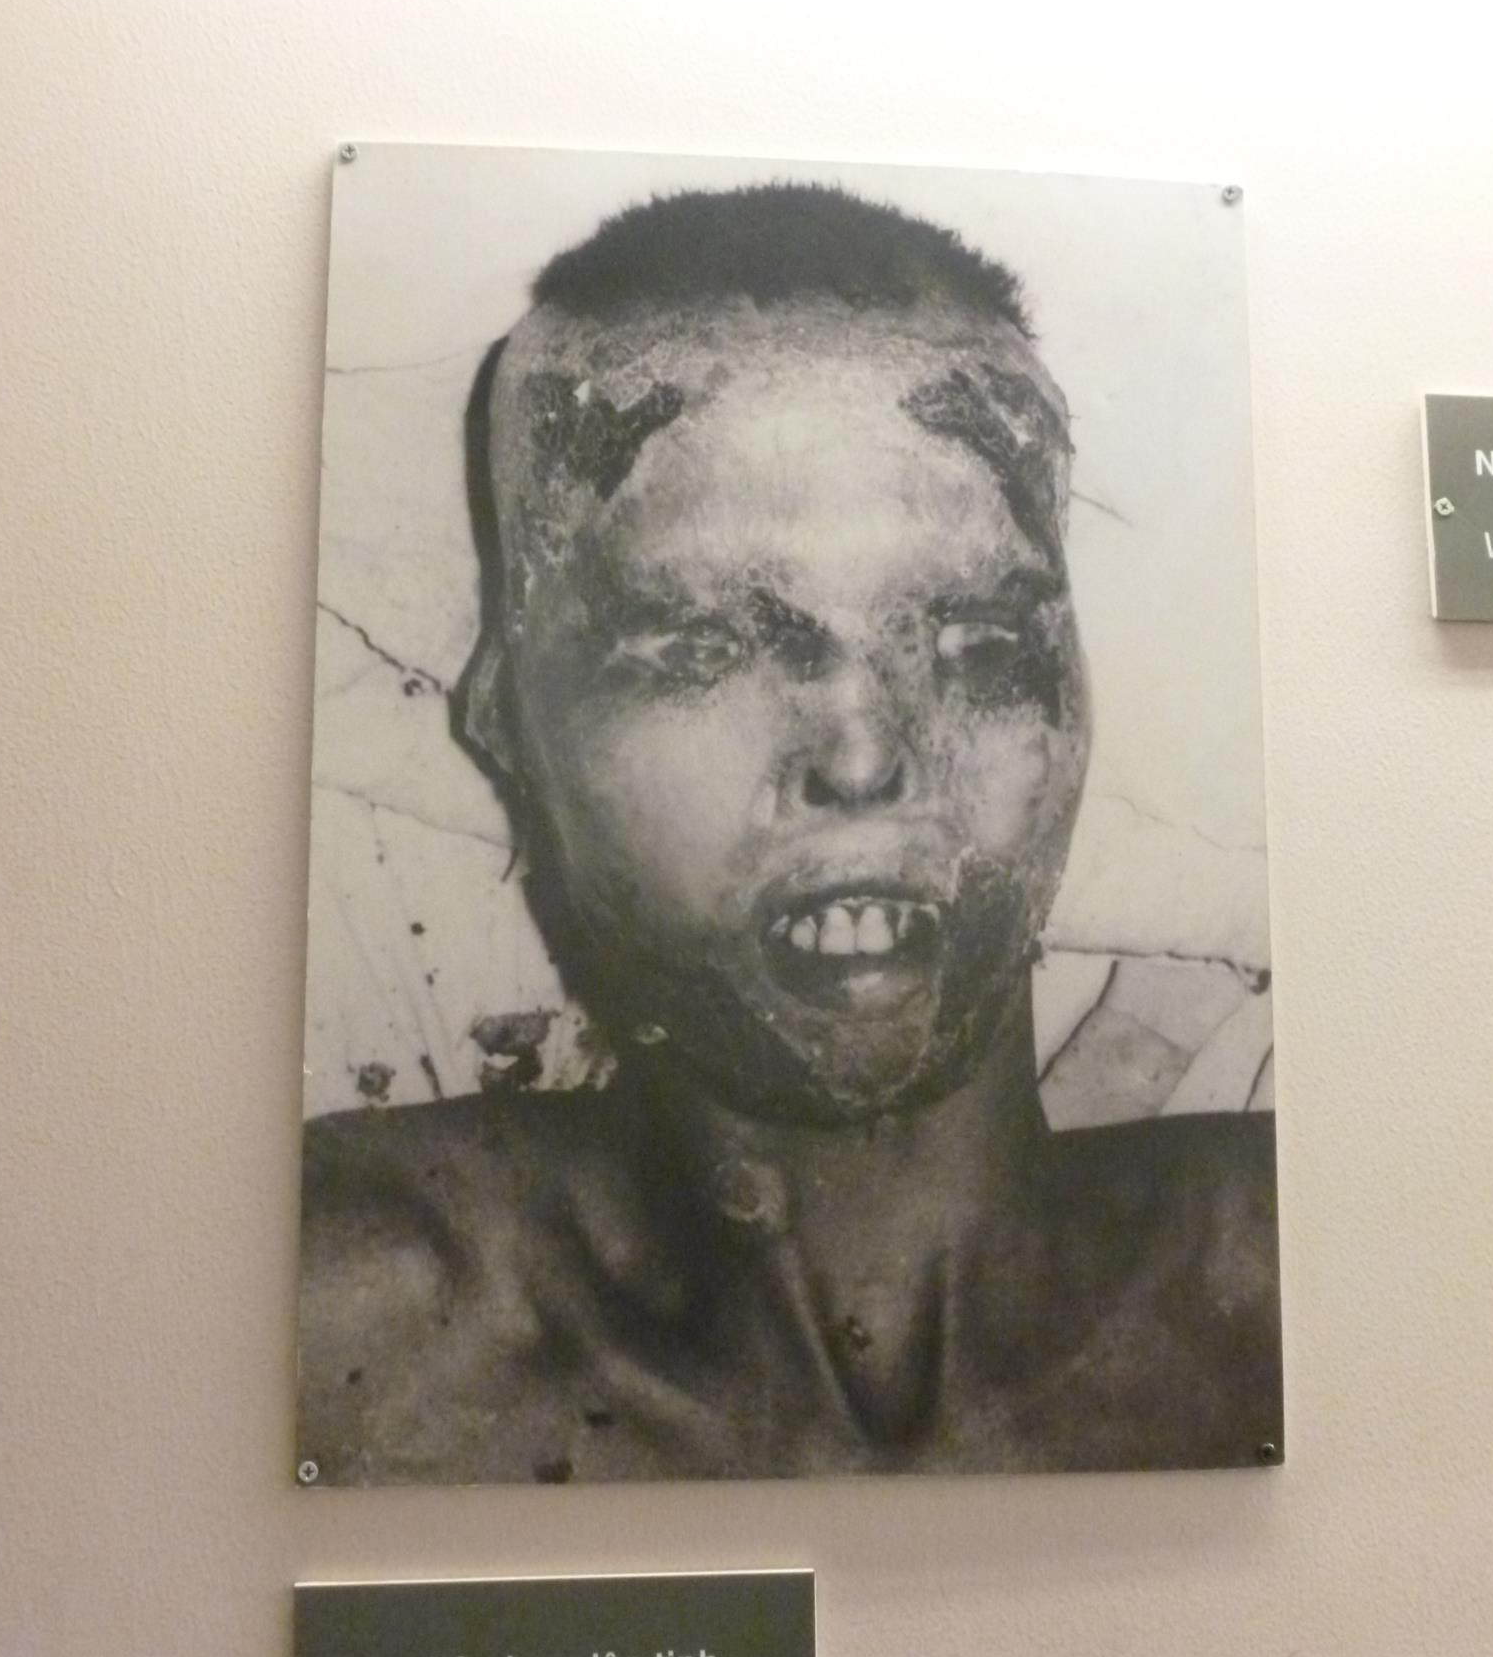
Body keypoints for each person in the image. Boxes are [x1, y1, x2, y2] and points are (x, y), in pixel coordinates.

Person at [298, 183, 1280, 1483]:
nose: (863, 757)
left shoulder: (1313, 1269)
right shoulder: (328, 1317)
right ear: (503, 719)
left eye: (981, 640)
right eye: (701, 646)